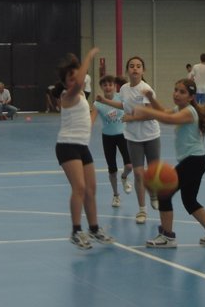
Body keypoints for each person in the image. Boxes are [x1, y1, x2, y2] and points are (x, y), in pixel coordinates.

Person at [124, 78, 205, 248]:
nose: (176, 94)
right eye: (176, 90)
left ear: (191, 97)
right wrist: (152, 99)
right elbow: (165, 112)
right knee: (190, 201)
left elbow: (167, 119)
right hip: (196, 161)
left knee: (164, 192)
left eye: (182, 92)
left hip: (194, 160)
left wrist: (144, 111)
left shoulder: (189, 112)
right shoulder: (181, 108)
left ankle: (167, 237)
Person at [56, 48, 114, 249]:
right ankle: (75, 231)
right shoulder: (67, 95)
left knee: (91, 189)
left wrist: (96, 109)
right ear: (65, 83)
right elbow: (80, 81)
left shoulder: (80, 97)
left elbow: (87, 123)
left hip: (82, 146)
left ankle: (94, 228)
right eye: (71, 78)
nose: (76, 80)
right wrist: (88, 57)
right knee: (79, 187)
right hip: (67, 146)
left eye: (76, 76)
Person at [95, 56, 161, 224]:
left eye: (139, 66)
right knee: (138, 173)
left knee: (152, 173)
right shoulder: (123, 88)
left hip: (151, 135)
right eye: (132, 66)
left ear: (143, 70)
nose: (135, 69)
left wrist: (130, 118)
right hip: (133, 137)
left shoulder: (146, 89)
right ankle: (142, 210)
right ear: (127, 70)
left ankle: (153, 193)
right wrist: (106, 101)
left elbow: (148, 113)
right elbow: (124, 106)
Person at [91, 75, 133, 208]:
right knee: (112, 169)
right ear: (102, 87)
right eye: (105, 85)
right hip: (107, 138)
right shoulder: (97, 103)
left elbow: (130, 111)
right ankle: (116, 195)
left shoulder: (120, 98)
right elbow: (91, 120)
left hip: (123, 136)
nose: (108, 87)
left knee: (129, 166)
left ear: (114, 86)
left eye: (110, 84)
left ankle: (124, 177)